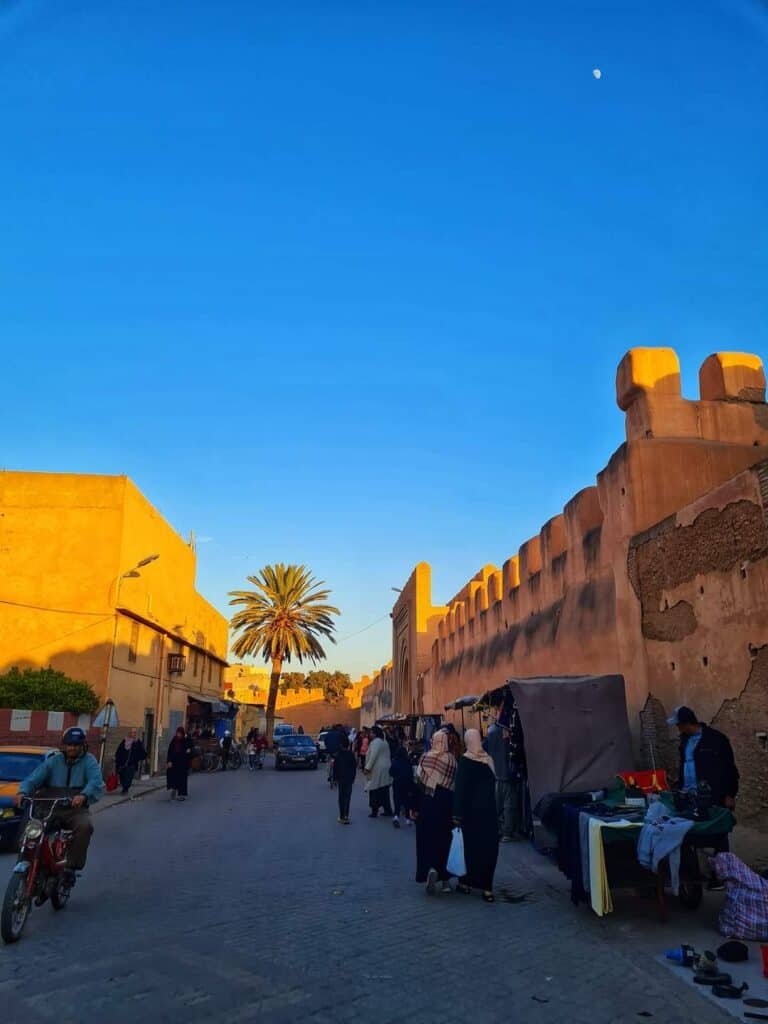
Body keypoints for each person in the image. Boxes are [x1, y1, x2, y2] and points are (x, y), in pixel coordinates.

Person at [15, 727, 104, 884]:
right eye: (69, 744)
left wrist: (83, 795)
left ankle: (71, 868)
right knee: (31, 831)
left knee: (85, 827)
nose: (72, 748)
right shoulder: (53, 761)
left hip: (74, 809)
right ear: (64, 745)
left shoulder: (89, 761)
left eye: (76, 745)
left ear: (83, 746)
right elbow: (34, 778)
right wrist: (22, 792)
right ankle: (25, 861)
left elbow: (96, 781)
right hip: (50, 807)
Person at [453, 728, 499, 902]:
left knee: (470, 849)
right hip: (488, 814)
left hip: (470, 816)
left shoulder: (465, 761)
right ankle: (487, 889)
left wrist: (457, 814)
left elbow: (460, 790)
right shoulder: (488, 760)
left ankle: (466, 883)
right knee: (488, 849)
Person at [668, 706, 739, 809]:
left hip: (711, 797)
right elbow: (684, 764)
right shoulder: (684, 741)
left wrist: (730, 794)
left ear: (686, 723)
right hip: (688, 796)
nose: (678, 728)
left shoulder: (716, 739)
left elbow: (729, 768)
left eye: (678, 725)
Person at [414, 730, 457, 895]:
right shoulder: (452, 760)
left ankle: (431, 869)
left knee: (427, 840)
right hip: (446, 805)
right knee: (445, 840)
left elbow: (418, 783)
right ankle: (445, 881)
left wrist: (415, 808)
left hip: (427, 804)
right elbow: (455, 785)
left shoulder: (425, 758)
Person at [483, 721, 521, 843]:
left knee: (496, 805)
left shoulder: (490, 731)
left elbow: (485, 749)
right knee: (508, 805)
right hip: (508, 774)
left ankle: (496, 830)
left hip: (495, 773)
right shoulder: (509, 730)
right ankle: (507, 832)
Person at [364, 726, 393, 817]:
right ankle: (387, 810)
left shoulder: (376, 742)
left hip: (378, 769)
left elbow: (373, 756)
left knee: (374, 789)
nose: (370, 734)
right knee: (384, 790)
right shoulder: (384, 742)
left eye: (371, 732)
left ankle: (374, 811)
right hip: (385, 768)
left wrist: (368, 767)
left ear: (375, 733)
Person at [114, 728, 148, 796]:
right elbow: (119, 750)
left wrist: (139, 758)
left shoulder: (137, 742)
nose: (133, 734)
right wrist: (117, 759)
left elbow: (142, 752)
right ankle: (124, 787)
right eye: (132, 732)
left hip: (132, 764)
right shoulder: (124, 741)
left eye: (134, 732)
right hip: (122, 763)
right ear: (129, 733)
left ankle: (125, 789)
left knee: (128, 777)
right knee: (122, 776)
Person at [390, 744, 415, 828]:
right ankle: (407, 819)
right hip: (407, 783)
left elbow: (391, 772)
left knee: (397, 799)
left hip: (397, 783)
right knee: (406, 800)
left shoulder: (395, 761)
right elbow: (411, 774)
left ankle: (396, 817)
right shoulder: (408, 762)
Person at [334, 735, 357, 824]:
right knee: (347, 797)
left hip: (341, 779)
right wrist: (353, 777)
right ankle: (346, 815)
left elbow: (336, 768)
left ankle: (342, 816)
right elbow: (354, 767)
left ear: (340, 745)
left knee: (341, 797)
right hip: (349, 779)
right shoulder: (350, 754)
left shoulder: (338, 755)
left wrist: (335, 778)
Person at [167, 726, 194, 800]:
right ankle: (174, 790)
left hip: (183, 763)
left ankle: (181, 794)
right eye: (177, 733)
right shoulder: (174, 740)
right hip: (174, 762)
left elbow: (191, 747)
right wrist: (169, 761)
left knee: (182, 779)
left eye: (180, 733)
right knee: (174, 777)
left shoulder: (185, 740)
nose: (178, 735)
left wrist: (189, 750)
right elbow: (170, 751)